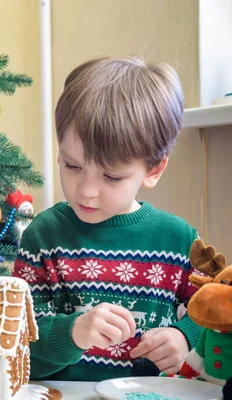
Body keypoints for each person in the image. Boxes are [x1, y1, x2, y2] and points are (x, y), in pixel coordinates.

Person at [13, 56, 200, 381]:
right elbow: (17, 349)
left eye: (111, 177)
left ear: (153, 170)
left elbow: (219, 311)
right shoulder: (42, 238)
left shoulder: (178, 240)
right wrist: (72, 334)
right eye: (72, 166)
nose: (86, 191)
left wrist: (186, 337)